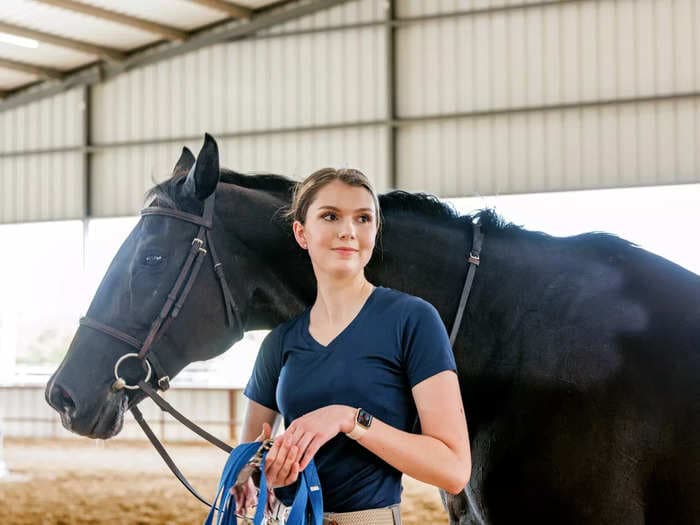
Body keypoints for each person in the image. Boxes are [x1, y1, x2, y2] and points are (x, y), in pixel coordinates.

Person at [234, 168, 471, 524]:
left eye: (363, 218)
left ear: (374, 231)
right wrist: (266, 474)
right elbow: (249, 457)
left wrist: (350, 419)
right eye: (330, 216)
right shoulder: (278, 343)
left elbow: (453, 469)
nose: (348, 231)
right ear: (302, 233)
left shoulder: (412, 320)